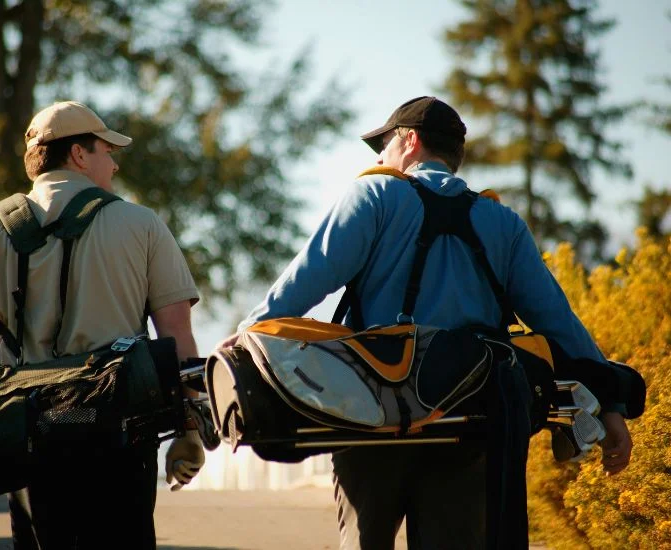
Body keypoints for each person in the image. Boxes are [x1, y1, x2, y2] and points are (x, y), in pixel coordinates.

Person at [220, 96, 633, 549]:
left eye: (384, 145)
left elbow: (301, 285)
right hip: (469, 418)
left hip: (375, 412)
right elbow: (559, 323)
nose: (379, 158)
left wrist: (234, 353)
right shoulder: (503, 222)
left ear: (411, 141)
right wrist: (610, 404)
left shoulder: (375, 194)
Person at [0, 100, 206, 549]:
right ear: (78, 154)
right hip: (118, 430)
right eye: (105, 150)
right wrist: (189, 430)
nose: (113, 163)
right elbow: (176, 334)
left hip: (27, 433)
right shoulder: (143, 225)